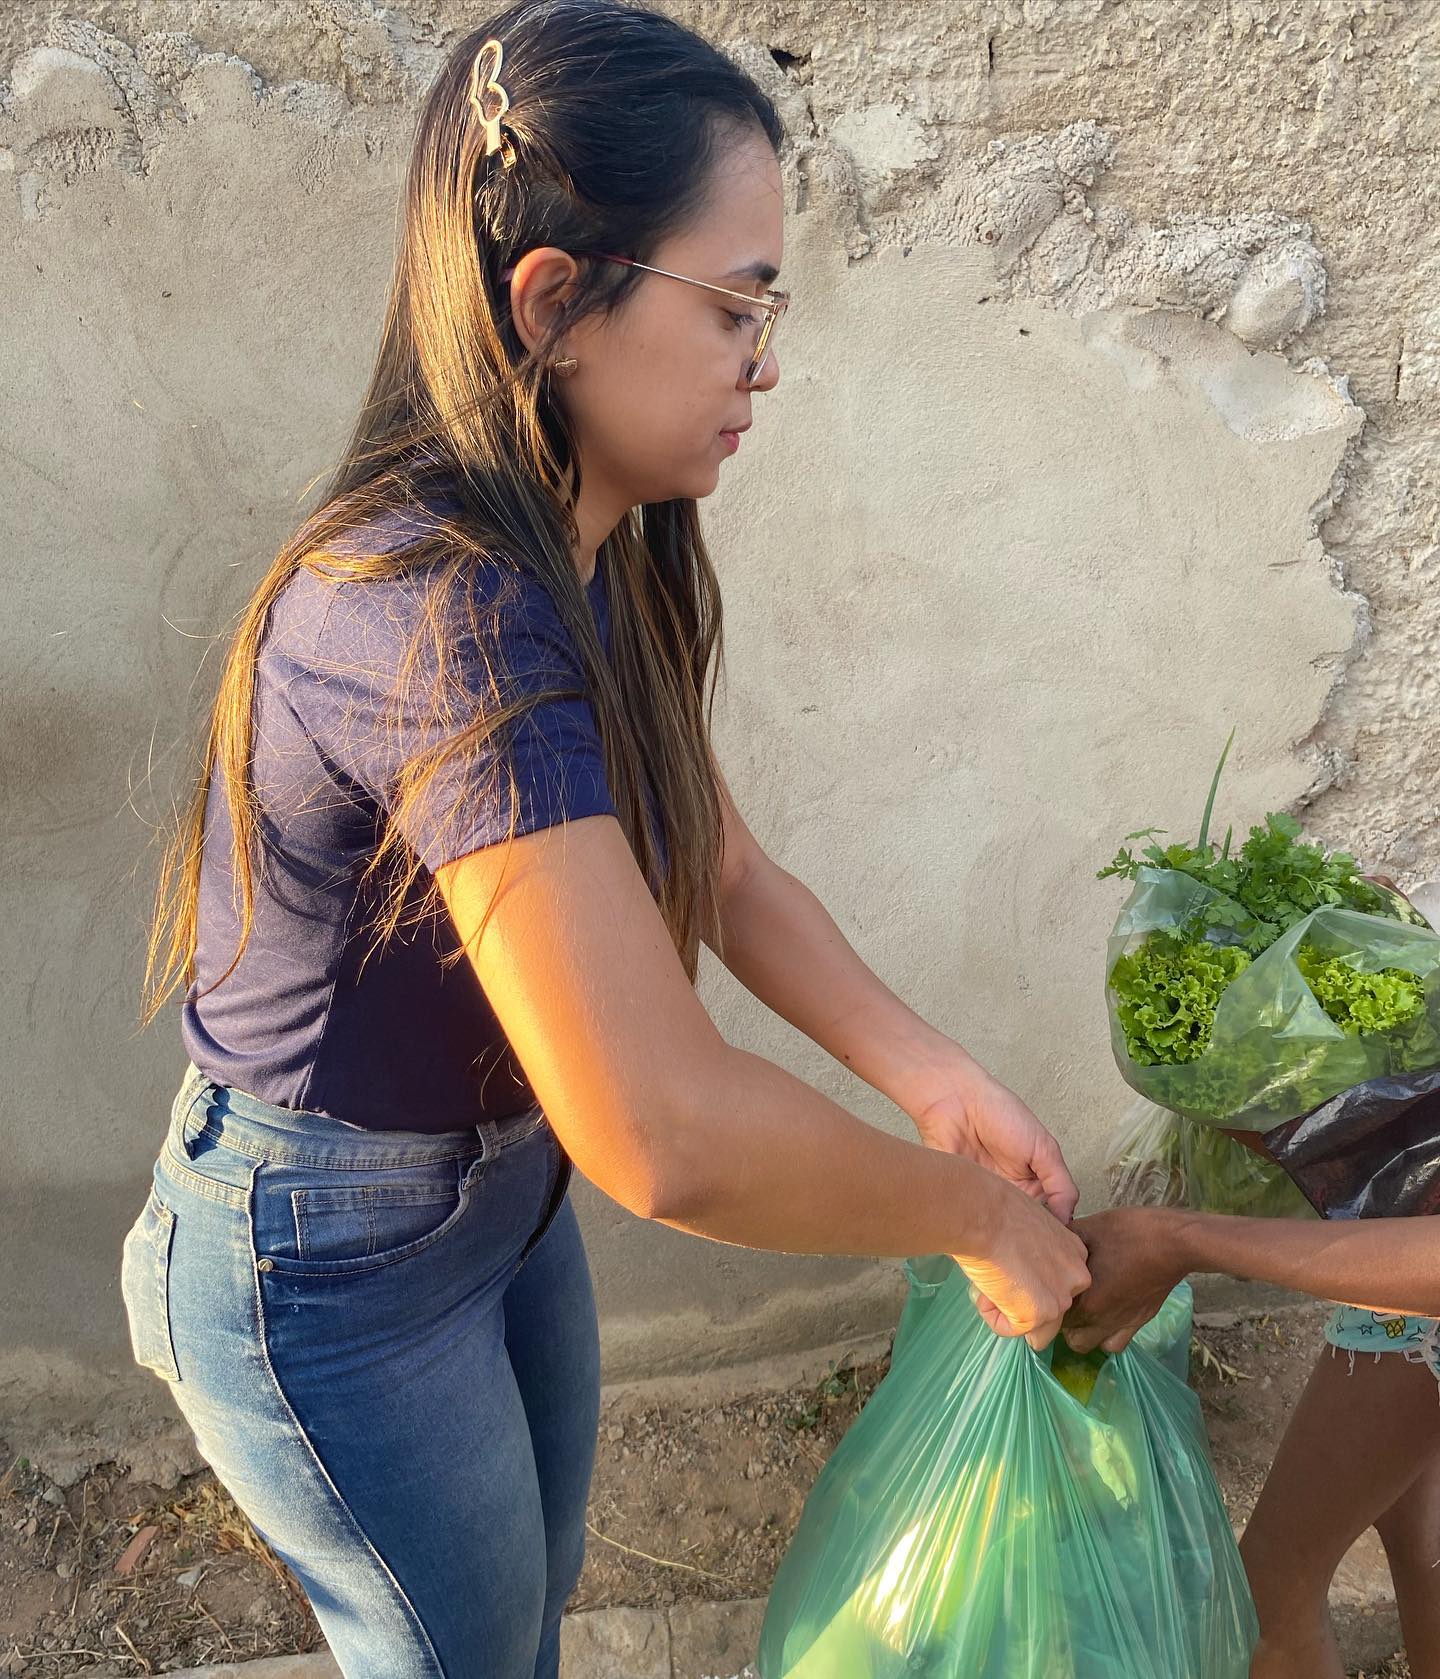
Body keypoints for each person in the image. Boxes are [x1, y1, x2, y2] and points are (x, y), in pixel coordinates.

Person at [119, 5, 1090, 1675]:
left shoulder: (595, 538)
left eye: (771, 306)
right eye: (734, 306)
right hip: (327, 1252)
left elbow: (711, 856)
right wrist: (975, 1216)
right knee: (471, 1648)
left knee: (529, 1593)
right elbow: (659, 1127)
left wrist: (935, 1075)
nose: (763, 363)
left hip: (496, 1192)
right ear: (555, 302)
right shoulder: (429, 608)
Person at [1067, 1205, 1440, 1679]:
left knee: (1269, 1600)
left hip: (1422, 1288)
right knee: (1412, 1517)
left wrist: (1184, 1239)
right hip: (1411, 1256)